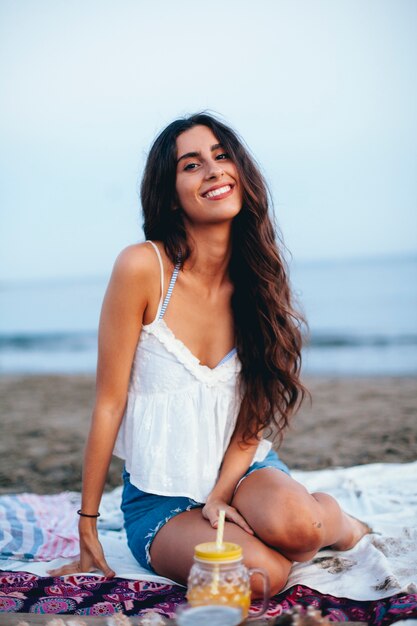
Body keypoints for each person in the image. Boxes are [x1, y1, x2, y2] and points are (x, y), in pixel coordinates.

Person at [49, 113, 370, 596]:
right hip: (162, 501)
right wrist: (88, 527)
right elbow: (109, 403)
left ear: (241, 172)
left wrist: (221, 495)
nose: (214, 170)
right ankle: (262, 533)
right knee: (263, 578)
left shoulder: (259, 280)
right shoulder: (143, 268)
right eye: (192, 165)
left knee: (302, 530)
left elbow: (255, 408)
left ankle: (339, 523)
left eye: (222, 156)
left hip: (246, 473)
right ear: (171, 193)